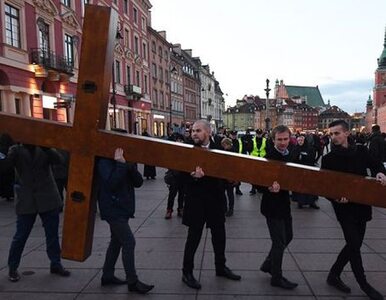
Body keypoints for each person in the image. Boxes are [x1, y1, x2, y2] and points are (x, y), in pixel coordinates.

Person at [321, 120, 386, 300]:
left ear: (347, 133)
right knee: (355, 246)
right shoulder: (328, 159)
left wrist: (380, 173)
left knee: (353, 244)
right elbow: (324, 187)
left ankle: (334, 274)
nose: (333, 137)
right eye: (331, 134)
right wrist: (335, 198)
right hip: (343, 209)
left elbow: (376, 165)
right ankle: (364, 284)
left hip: (362, 205)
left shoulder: (361, 151)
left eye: (336, 133)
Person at [181, 120, 241, 290]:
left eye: (198, 131)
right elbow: (178, 177)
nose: (194, 134)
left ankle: (220, 267)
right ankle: (187, 272)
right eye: (192, 131)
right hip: (196, 202)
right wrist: (193, 177)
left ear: (208, 132)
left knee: (219, 237)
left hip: (215, 200)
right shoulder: (186, 149)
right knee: (193, 239)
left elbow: (227, 174)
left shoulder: (221, 149)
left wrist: (232, 180)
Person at [0, 143, 70, 282]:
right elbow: (5, 167)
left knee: (52, 235)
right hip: (27, 199)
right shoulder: (16, 150)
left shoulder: (44, 147)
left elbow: (59, 160)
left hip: (47, 197)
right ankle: (13, 267)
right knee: (20, 236)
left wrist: (46, 148)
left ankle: (55, 263)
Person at [97, 146, 154, 294]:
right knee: (129, 242)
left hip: (122, 207)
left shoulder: (125, 160)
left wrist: (129, 166)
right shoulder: (104, 161)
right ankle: (132, 281)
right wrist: (121, 165)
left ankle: (107, 275)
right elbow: (111, 184)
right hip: (112, 208)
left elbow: (138, 182)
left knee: (116, 242)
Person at [260, 125, 298, 290]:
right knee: (279, 242)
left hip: (284, 204)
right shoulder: (270, 157)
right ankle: (276, 276)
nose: (283, 143)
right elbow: (258, 181)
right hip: (272, 206)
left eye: (285, 139)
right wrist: (267, 187)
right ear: (273, 140)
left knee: (288, 236)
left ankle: (268, 264)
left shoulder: (291, 154)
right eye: (279, 139)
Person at [292, 135, 319, 209]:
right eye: (299, 140)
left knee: (310, 187)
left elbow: (312, 157)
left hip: (308, 170)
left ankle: (312, 202)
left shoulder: (310, 148)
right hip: (299, 171)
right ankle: (300, 202)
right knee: (300, 187)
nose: (300, 142)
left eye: (301, 140)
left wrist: (303, 156)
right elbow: (293, 158)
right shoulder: (295, 148)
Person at [164, 133, 185, 219]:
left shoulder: (185, 151)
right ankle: (169, 210)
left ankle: (180, 209)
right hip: (173, 176)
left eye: (181, 140)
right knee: (172, 195)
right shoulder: (173, 151)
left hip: (182, 176)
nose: (179, 141)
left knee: (181, 195)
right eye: (178, 140)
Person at [0, 133, 15, 201]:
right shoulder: (12, 147)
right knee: (9, 181)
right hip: (9, 168)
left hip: (2, 167)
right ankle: (9, 195)